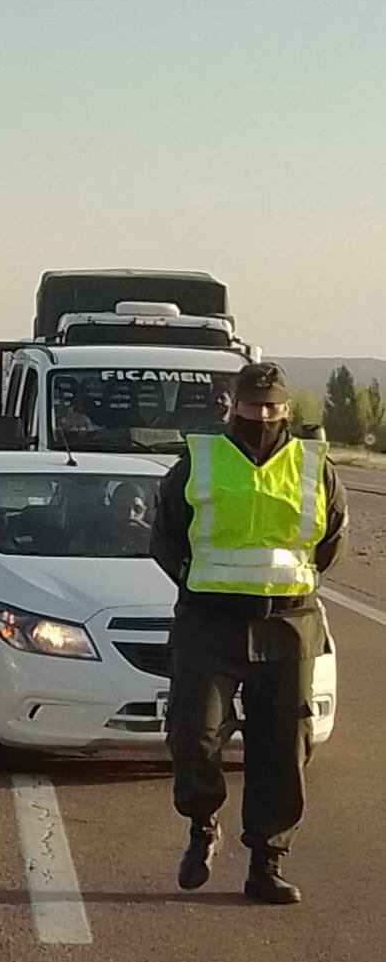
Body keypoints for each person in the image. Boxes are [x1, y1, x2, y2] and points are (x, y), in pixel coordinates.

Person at [150, 363, 347, 905]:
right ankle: (202, 824)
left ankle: (267, 862)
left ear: (286, 409)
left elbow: (330, 540)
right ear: (233, 406)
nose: (263, 415)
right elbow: (165, 537)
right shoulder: (200, 459)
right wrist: (198, 586)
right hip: (210, 622)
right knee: (194, 735)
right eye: (253, 405)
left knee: (283, 748)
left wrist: (291, 587)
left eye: (273, 407)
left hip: (288, 624)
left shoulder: (314, 466)